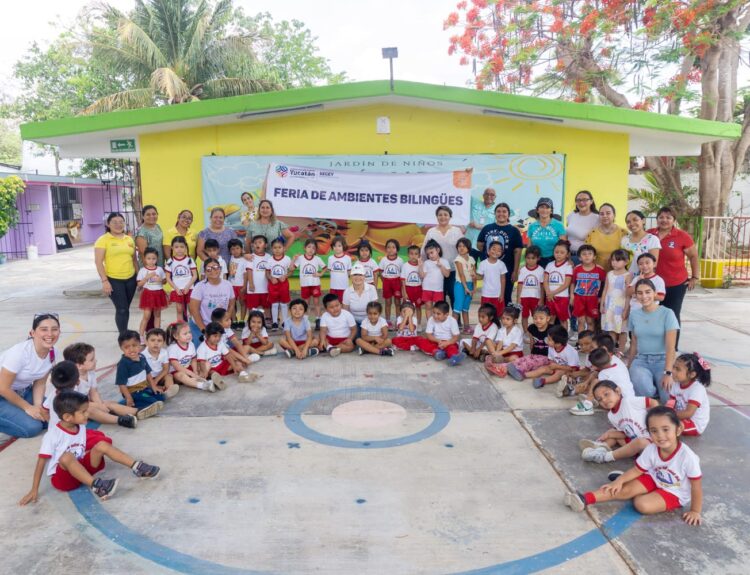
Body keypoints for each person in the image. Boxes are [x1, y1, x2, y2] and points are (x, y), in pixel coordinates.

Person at [565, 406, 703, 527]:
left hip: (674, 492)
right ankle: (583, 499)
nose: (660, 435)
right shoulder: (652, 449)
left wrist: (695, 511)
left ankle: (632, 486)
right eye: (654, 431)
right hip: (653, 478)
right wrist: (619, 482)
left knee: (641, 505)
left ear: (678, 430)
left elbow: (696, 487)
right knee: (621, 490)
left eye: (666, 429)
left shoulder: (688, 457)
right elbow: (637, 470)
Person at [19, 390, 160, 504]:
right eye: (83, 412)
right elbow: (41, 462)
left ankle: (137, 467)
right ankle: (97, 486)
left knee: (102, 445)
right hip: (64, 480)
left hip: (82, 469)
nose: (88, 413)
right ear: (68, 417)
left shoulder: (79, 426)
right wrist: (34, 489)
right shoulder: (52, 436)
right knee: (67, 457)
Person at [0, 314, 60, 438]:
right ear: (32, 333)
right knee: (32, 427)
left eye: (54, 329)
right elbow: (3, 388)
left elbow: (40, 383)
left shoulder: (53, 353)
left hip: (21, 391)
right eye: (44, 329)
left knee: (53, 418)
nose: (50, 334)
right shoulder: (19, 353)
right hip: (3, 393)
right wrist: (28, 408)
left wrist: (38, 406)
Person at [648, 206, 700, 349]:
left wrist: (695, 277)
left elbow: (694, 256)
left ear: (674, 220)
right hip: (651, 284)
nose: (664, 220)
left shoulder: (682, 236)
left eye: (668, 217)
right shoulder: (649, 234)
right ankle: (654, 345)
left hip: (675, 284)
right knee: (652, 314)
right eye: (661, 217)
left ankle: (672, 347)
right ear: (657, 219)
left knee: (671, 315)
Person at [61, 343, 144, 427]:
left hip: (86, 403)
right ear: (79, 366)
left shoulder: (90, 373)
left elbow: (93, 392)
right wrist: (99, 406)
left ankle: (138, 411)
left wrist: (101, 405)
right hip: (74, 409)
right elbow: (77, 403)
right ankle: (120, 420)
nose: (95, 361)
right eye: (91, 360)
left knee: (109, 404)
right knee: (91, 410)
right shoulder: (72, 381)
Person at [578, 380, 658, 464]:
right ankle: (600, 448)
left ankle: (605, 457)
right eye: (600, 399)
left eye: (606, 394)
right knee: (612, 433)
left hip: (651, 443)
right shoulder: (611, 415)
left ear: (618, 391)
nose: (604, 400)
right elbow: (625, 433)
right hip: (636, 445)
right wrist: (609, 434)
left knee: (640, 442)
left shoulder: (628, 401)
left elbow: (653, 402)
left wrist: (655, 423)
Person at [627, 279, 680, 403]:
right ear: (635, 295)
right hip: (641, 360)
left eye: (648, 292)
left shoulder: (667, 313)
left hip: (663, 361)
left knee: (667, 398)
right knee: (644, 390)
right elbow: (634, 343)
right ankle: (653, 395)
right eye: (639, 293)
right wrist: (629, 367)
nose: (644, 296)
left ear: (655, 293)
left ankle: (658, 390)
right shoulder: (634, 315)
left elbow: (671, 347)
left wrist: (668, 372)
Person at [95, 213, 139, 335]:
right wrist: (105, 281)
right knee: (122, 309)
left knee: (126, 308)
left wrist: (139, 277)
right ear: (108, 224)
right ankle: (123, 336)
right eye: (114, 222)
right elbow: (98, 262)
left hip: (131, 279)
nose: (118, 225)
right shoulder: (103, 240)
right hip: (114, 279)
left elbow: (134, 260)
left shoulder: (129, 239)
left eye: (121, 222)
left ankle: (124, 332)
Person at [477, 203, 523, 305]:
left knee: (505, 297)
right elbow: (480, 245)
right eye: (498, 211)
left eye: (504, 211)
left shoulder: (514, 231)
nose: (501, 214)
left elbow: (517, 251)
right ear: (495, 213)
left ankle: (506, 320)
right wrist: (489, 256)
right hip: (490, 270)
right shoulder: (487, 228)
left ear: (508, 214)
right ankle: (490, 320)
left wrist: (515, 271)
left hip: (507, 269)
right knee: (489, 297)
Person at [421, 206, 465, 314]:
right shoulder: (431, 231)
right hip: (435, 271)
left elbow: (462, 248)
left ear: (450, 216)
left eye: (445, 214)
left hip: (453, 269)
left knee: (454, 295)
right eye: (440, 215)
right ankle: (440, 320)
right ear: (436, 217)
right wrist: (423, 266)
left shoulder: (457, 231)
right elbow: (424, 250)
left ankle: (456, 321)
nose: (443, 217)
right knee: (439, 298)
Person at [490, 306, 552, 380]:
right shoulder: (532, 328)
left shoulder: (552, 330)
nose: (538, 320)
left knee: (528, 363)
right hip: (534, 354)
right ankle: (500, 367)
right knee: (521, 360)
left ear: (548, 318)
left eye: (541, 318)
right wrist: (531, 353)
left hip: (546, 357)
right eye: (535, 318)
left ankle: (519, 373)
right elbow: (532, 342)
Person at [510, 325, 579, 389]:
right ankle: (523, 375)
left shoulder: (570, 352)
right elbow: (551, 359)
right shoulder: (551, 347)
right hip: (556, 366)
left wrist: (557, 367)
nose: (546, 341)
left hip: (568, 370)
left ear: (558, 344)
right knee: (543, 368)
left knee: (558, 373)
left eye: (549, 339)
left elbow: (572, 368)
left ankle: (543, 381)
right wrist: (552, 364)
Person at [115, 330, 167, 411]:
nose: (131, 349)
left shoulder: (142, 357)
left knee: (161, 397)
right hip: (133, 392)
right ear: (121, 348)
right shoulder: (123, 364)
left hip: (144, 388)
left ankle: (146, 402)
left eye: (134, 345)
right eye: (127, 347)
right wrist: (128, 397)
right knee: (152, 401)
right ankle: (132, 408)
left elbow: (148, 373)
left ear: (139, 344)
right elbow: (121, 384)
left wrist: (154, 387)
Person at [188, 258, 235, 345]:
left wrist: (225, 320)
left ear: (220, 269)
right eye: (209, 269)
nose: (213, 270)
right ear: (205, 272)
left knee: (230, 347)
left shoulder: (228, 285)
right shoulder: (200, 286)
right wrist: (204, 330)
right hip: (201, 324)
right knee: (203, 351)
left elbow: (231, 305)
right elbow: (194, 310)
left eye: (216, 267)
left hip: (220, 326)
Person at [166, 322, 216, 392]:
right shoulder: (172, 348)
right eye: (185, 334)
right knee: (181, 375)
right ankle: (201, 385)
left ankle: (201, 378)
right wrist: (192, 374)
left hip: (188, 369)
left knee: (207, 363)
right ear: (176, 336)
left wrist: (195, 371)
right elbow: (177, 367)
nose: (189, 335)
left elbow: (193, 359)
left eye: (189, 332)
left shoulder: (191, 344)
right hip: (176, 372)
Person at [669, 353, 711, 436]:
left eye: (678, 369)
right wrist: (666, 412)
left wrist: (668, 416)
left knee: (667, 427)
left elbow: (688, 413)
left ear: (692, 374)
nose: (673, 371)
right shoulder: (676, 384)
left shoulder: (697, 389)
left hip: (694, 424)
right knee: (660, 421)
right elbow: (671, 404)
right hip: (680, 418)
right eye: (673, 367)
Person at [414, 300, 465, 366]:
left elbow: (455, 337)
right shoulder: (431, 319)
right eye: (434, 313)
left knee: (452, 348)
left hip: (449, 342)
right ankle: (438, 353)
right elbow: (429, 335)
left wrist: (446, 343)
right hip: (435, 342)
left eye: (438, 314)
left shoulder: (452, 321)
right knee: (420, 341)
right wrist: (438, 341)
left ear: (446, 314)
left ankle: (454, 357)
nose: (435, 316)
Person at [600, 249, 632, 351]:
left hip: (621, 305)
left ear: (626, 261)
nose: (614, 262)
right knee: (611, 329)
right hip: (609, 305)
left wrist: (626, 309)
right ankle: (612, 350)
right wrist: (602, 304)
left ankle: (621, 351)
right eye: (613, 260)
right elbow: (605, 290)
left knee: (622, 330)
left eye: (618, 260)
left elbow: (628, 294)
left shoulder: (628, 275)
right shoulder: (610, 274)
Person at [571, 244, 606, 333]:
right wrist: (572, 295)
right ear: (579, 257)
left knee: (590, 321)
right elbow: (572, 283)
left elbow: (603, 284)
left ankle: (590, 341)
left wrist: (600, 297)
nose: (587, 256)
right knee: (580, 321)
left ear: (594, 257)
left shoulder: (600, 270)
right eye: (584, 254)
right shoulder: (576, 269)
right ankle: (580, 340)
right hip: (579, 298)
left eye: (589, 253)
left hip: (592, 298)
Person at [136, 247, 168, 341]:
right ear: (144, 259)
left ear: (157, 259)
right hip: (148, 294)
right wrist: (146, 278)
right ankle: (141, 336)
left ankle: (157, 334)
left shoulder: (159, 269)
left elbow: (165, 281)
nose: (151, 261)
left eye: (153, 258)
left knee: (157, 315)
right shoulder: (142, 270)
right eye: (148, 258)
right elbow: (139, 284)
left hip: (158, 294)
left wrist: (161, 280)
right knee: (146, 316)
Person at [294, 239, 326, 329]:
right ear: (305, 248)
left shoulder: (317, 259)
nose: (311, 249)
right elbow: (292, 268)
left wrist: (320, 274)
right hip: (304, 285)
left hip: (315, 284)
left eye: (313, 248)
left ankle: (318, 319)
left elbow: (324, 268)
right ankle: (305, 320)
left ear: (315, 250)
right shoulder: (300, 258)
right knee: (305, 303)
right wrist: (293, 259)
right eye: (309, 247)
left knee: (316, 302)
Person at [165, 236, 198, 322]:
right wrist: (176, 288)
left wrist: (187, 287)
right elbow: (168, 278)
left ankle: (192, 328)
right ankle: (181, 328)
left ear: (185, 247)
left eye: (182, 247)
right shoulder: (170, 261)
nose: (179, 249)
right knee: (179, 310)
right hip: (177, 290)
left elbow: (195, 276)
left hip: (189, 289)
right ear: (172, 248)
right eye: (176, 247)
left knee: (192, 310)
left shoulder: (190, 260)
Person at [584, 203, 626, 271]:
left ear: (614, 215)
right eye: (602, 214)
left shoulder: (623, 233)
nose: (605, 216)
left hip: (617, 274)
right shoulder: (592, 233)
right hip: (596, 273)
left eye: (608, 213)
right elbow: (585, 253)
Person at [527, 198, 567, 267]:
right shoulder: (532, 226)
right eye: (542, 207)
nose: (544, 210)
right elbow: (529, 246)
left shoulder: (559, 225)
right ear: (537, 210)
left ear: (551, 210)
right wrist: (527, 262)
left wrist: (566, 260)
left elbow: (564, 245)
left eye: (547, 207)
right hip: (536, 261)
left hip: (554, 260)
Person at [543, 240, 573, 329]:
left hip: (562, 298)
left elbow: (566, 284)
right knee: (550, 319)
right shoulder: (549, 265)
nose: (558, 254)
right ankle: (550, 338)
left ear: (567, 254)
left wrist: (553, 292)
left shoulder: (568, 266)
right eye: (556, 252)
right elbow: (545, 281)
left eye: (562, 252)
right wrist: (548, 293)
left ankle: (564, 339)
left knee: (563, 320)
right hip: (550, 297)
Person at [516, 245, 544, 334]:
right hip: (524, 297)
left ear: (538, 258)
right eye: (528, 258)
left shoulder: (541, 270)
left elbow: (542, 286)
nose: (530, 260)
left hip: (536, 298)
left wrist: (541, 299)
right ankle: (525, 332)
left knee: (537, 316)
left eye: (533, 258)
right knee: (524, 316)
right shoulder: (523, 270)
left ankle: (536, 332)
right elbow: (520, 284)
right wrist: (518, 298)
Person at [565, 190, 600, 264]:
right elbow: (567, 235)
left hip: (584, 259)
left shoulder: (597, 218)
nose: (581, 203)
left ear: (591, 201)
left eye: (585, 200)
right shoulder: (571, 215)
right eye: (578, 200)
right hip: (568, 256)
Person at [141, 329, 177, 398]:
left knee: (169, 376)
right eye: (152, 340)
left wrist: (156, 380)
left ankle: (168, 391)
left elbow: (165, 369)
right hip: (147, 379)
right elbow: (143, 373)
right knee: (142, 385)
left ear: (163, 342)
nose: (156, 343)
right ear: (147, 341)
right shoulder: (142, 355)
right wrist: (152, 382)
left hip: (160, 377)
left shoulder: (164, 352)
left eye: (159, 341)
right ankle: (156, 389)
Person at [622, 210, 660, 275]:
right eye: (628, 222)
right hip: (625, 279)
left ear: (643, 221)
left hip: (643, 280)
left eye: (635, 220)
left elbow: (654, 264)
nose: (631, 223)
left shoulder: (652, 239)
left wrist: (641, 280)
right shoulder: (624, 240)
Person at [420, 239, 451, 319]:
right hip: (427, 288)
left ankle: (437, 324)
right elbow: (422, 275)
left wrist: (441, 266)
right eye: (428, 254)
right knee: (428, 306)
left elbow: (447, 275)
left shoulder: (444, 261)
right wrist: (420, 266)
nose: (430, 255)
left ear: (438, 250)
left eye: (432, 252)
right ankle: (430, 325)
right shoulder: (427, 262)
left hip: (438, 290)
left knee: (438, 308)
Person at [267, 238, 292, 329]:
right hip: (273, 284)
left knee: (283, 304)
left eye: (279, 247)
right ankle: (274, 323)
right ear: (271, 249)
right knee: (274, 304)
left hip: (283, 284)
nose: (277, 249)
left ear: (284, 248)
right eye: (275, 248)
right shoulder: (270, 260)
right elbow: (267, 273)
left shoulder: (287, 259)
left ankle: (285, 322)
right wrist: (271, 278)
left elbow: (291, 271)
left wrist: (285, 276)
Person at [245, 235, 271, 322]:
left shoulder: (269, 257)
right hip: (253, 289)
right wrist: (251, 284)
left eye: (260, 242)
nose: (257, 244)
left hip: (266, 288)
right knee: (252, 307)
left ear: (266, 245)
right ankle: (251, 321)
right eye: (255, 243)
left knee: (266, 306)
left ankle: (267, 320)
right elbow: (249, 271)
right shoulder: (251, 257)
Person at [476, 241, 507, 316]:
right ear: (488, 251)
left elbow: (503, 279)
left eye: (499, 250)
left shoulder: (501, 264)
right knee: (485, 314)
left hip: (497, 294)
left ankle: (498, 327)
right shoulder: (483, 263)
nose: (496, 252)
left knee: (499, 314)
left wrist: (502, 294)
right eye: (494, 249)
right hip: (486, 294)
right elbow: (480, 277)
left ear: (501, 253)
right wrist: (474, 276)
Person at [453, 237, 476, 333]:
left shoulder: (471, 259)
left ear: (468, 247)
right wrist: (465, 287)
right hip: (460, 285)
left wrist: (474, 287)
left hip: (470, 285)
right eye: (459, 246)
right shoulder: (458, 259)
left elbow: (474, 274)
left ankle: (466, 327)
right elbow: (461, 274)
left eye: (464, 246)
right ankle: (452, 329)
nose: (461, 248)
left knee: (465, 307)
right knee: (458, 307)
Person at [379, 239, 404, 327]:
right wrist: (385, 281)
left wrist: (400, 284)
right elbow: (380, 272)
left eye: (393, 247)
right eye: (388, 247)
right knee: (388, 302)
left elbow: (402, 273)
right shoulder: (383, 260)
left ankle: (398, 320)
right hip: (387, 282)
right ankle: (388, 321)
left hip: (397, 283)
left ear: (397, 249)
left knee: (397, 303)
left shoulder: (400, 260)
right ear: (386, 249)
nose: (391, 249)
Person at [227, 239, 248, 328]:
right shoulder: (230, 258)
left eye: (237, 248)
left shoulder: (244, 259)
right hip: (231, 285)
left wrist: (244, 286)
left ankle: (242, 320)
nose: (235, 251)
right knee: (231, 303)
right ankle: (234, 320)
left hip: (241, 285)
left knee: (242, 303)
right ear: (230, 251)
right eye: (232, 249)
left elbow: (246, 274)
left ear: (241, 249)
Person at [401, 245, 424, 325]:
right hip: (408, 289)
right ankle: (407, 323)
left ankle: (419, 324)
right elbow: (403, 280)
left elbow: (423, 278)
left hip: (418, 289)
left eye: (416, 254)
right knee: (407, 307)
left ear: (419, 255)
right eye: (411, 254)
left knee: (418, 307)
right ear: (408, 254)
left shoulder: (421, 265)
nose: (413, 256)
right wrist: (404, 292)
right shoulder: (405, 265)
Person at [327, 235, 352, 301]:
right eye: (335, 246)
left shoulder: (348, 258)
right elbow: (330, 272)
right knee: (333, 303)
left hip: (344, 287)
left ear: (343, 246)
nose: (337, 248)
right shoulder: (330, 258)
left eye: (339, 246)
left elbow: (349, 273)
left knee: (344, 303)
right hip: (333, 287)